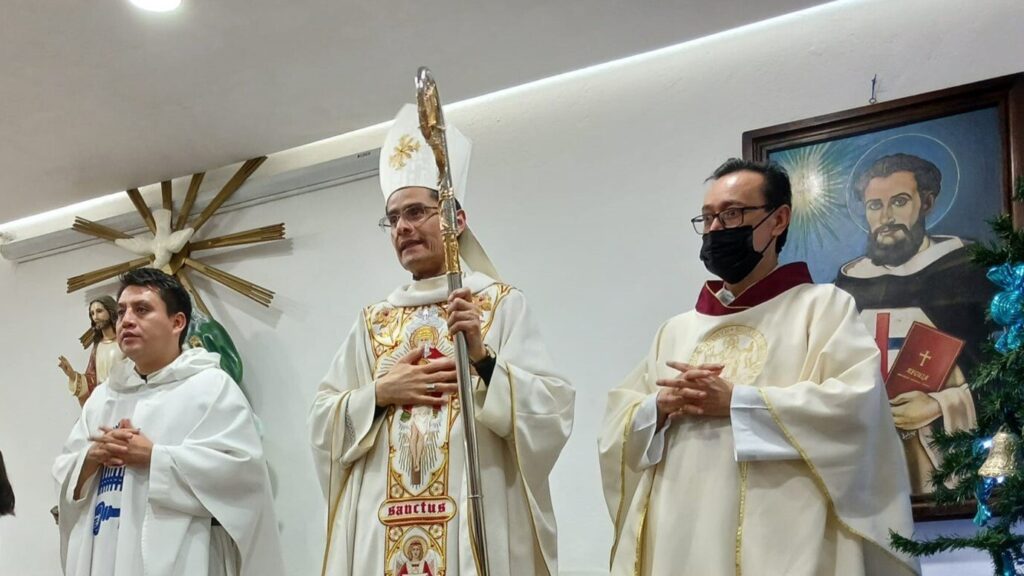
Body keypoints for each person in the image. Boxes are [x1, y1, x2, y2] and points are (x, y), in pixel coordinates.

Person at [600, 159, 918, 575]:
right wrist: (657, 407)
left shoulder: (822, 308)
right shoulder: (675, 331)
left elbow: (857, 408)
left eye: (732, 214)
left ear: (778, 220)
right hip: (680, 537)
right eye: (708, 217)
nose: (716, 229)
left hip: (784, 542)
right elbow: (615, 432)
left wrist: (738, 403)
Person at [309, 104, 574, 576]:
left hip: (475, 516)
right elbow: (322, 422)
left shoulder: (498, 305)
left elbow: (552, 411)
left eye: (415, 212)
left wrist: (482, 358)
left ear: (455, 218)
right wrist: (378, 394)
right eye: (392, 219)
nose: (403, 228)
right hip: (381, 522)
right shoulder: (374, 321)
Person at [52, 268, 285, 576]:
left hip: (186, 555)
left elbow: (242, 473)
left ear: (178, 322)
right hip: (106, 548)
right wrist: (91, 458)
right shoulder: (103, 397)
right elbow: (64, 474)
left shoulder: (211, 388)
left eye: (142, 309)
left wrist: (154, 457)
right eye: (121, 312)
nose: (127, 320)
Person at [835, 153, 991, 493]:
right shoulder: (848, 284)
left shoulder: (965, 270)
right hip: (866, 463)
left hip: (939, 463)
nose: (886, 217)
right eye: (875, 205)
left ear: (927, 202)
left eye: (900, 201)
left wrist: (940, 405)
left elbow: (1002, 374)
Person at [58, 296, 124, 406]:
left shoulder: (124, 343)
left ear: (111, 311)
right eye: (92, 313)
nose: (95, 317)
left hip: (123, 402)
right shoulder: (97, 347)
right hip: (103, 405)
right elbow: (92, 380)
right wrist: (72, 375)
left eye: (99, 311)